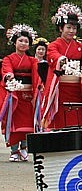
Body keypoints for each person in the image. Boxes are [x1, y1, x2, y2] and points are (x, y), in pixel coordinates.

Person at [41, 3, 82, 129]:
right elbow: (52, 54)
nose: (72, 31)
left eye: (74, 28)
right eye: (68, 27)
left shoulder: (80, 47)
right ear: (61, 28)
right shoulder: (54, 45)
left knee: (76, 116)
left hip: (76, 88)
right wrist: (61, 59)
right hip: (61, 88)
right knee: (60, 116)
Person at [1, 24, 42, 161]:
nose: (23, 43)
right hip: (15, 95)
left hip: (28, 96)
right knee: (13, 122)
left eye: (26, 41)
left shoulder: (32, 60)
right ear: (14, 42)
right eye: (21, 41)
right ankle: (14, 150)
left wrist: (39, 85)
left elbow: (38, 75)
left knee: (28, 123)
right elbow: (7, 68)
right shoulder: (9, 58)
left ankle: (24, 148)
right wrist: (9, 76)